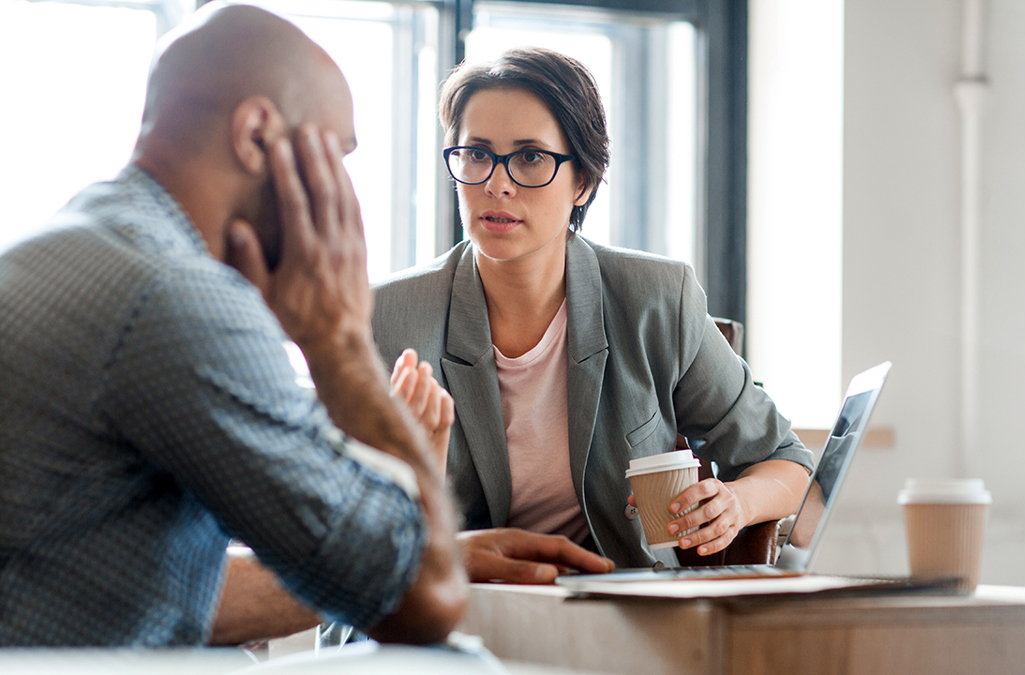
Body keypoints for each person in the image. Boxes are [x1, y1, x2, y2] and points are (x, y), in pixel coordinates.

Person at [0, 5, 465, 646]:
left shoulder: (75, 242)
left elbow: (159, 589)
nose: (345, 193)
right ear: (254, 135)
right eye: (338, 153)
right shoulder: (175, 296)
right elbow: (426, 596)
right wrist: (340, 341)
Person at [372, 47, 817, 572]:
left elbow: (787, 462)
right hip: (461, 611)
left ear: (582, 180)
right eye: (476, 154)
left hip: (623, 608)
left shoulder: (654, 299)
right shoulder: (388, 316)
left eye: (530, 157)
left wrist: (735, 504)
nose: (496, 182)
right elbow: (339, 523)